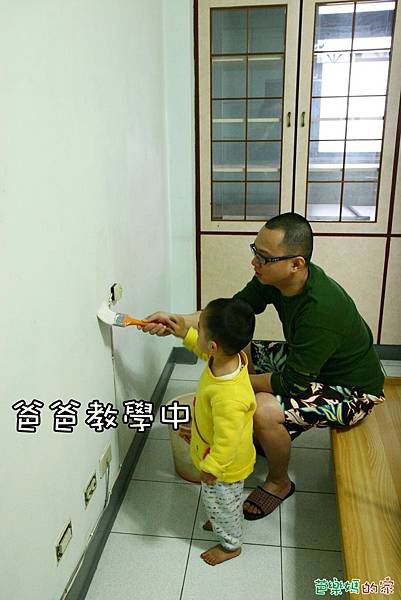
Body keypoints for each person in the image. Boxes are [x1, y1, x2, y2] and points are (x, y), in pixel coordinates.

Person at [142, 212, 385, 521]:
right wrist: (178, 321)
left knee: (263, 409)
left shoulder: (321, 311)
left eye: (265, 258)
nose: (254, 262)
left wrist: (234, 387)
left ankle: (279, 482)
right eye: (255, 251)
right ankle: (256, 434)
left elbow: (293, 384)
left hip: (352, 390)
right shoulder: (273, 279)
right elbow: (229, 316)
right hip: (311, 365)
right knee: (237, 346)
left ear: (296, 263)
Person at [165, 297, 256, 566]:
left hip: (224, 467)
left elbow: (227, 441)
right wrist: (184, 332)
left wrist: (212, 468)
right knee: (222, 502)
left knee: (221, 501)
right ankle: (220, 518)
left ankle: (230, 544)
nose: (197, 329)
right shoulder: (227, 359)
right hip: (212, 447)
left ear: (213, 345)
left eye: (200, 329)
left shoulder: (229, 397)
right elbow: (204, 350)